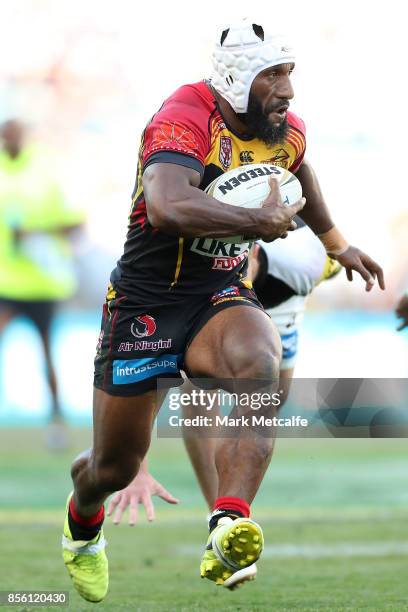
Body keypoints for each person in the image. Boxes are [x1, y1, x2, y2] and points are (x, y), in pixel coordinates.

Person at [62, 19, 384, 603]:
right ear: (236, 81)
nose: (286, 89)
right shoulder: (184, 115)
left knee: (257, 363)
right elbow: (165, 205)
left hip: (219, 291)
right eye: (272, 76)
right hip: (147, 299)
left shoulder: (285, 128)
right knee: (112, 466)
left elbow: (300, 170)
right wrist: (255, 224)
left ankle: (229, 520)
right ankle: (82, 527)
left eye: (289, 74)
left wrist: (338, 244)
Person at [107, 229, 342, 590]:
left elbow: (331, 250)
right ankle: (222, 521)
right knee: (198, 396)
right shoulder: (195, 266)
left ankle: (225, 513)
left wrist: (338, 253)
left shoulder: (302, 263)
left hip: (280, 304)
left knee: (267, 403)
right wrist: (138, 465)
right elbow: (151, 376)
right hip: (204, 299)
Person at [0, 119, 84, 449]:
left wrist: (35, 232)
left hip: (43, 283)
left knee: (47, 354)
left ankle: (57, 421)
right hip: (6, 282)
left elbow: (75, 222)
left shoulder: (46, 171)